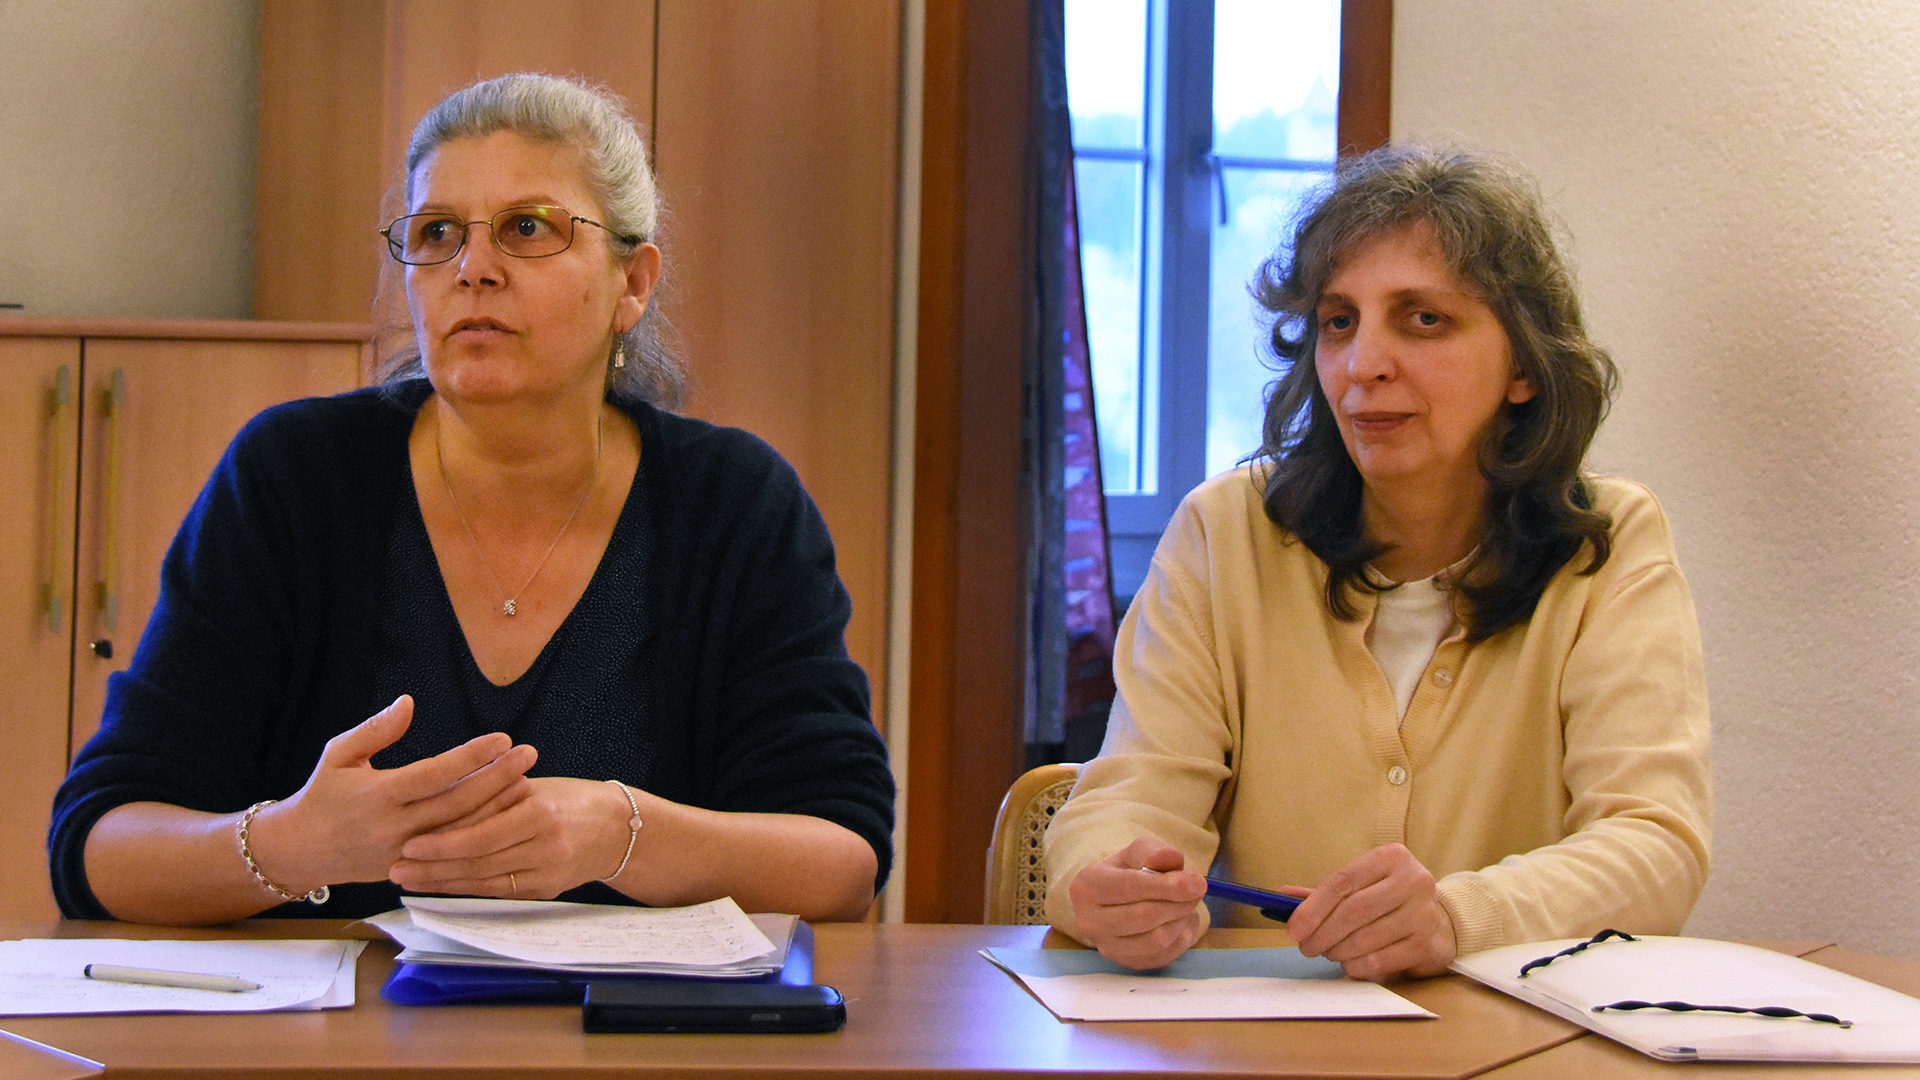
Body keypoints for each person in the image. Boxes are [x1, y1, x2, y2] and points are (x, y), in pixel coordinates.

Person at [47, 72, 894, 925]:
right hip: (335, 1048)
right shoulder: (293, 478)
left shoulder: (736, 505)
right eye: (438, 232)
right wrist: (289, 843)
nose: (473, 269)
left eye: (528, 229)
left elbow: (842, 863)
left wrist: (624, 834)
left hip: (633, 1049)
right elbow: (100, 845)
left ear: (632, 285)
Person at [1043, 146, 1710, 981]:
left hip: (1507, 1048)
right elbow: (1128, 797)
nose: (1363, 365)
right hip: (1266, 1047)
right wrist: (1108, 882)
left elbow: (1655, 846)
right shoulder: (1226, 532)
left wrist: (1459, 917)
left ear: (1525, 370)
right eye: (1338, 322)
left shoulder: (1609, 544)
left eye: (1423, 319)